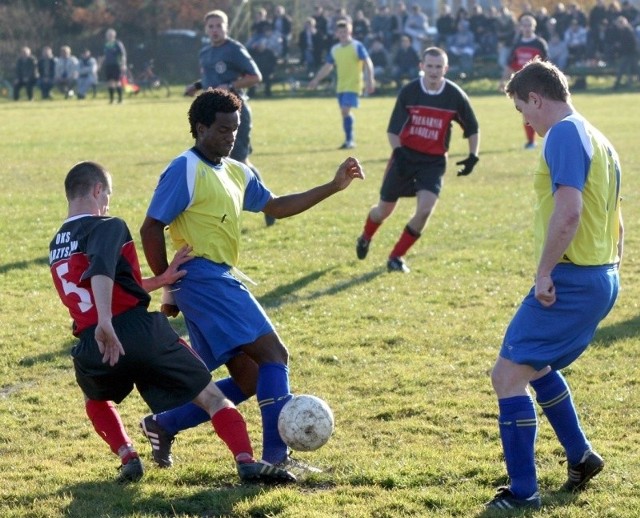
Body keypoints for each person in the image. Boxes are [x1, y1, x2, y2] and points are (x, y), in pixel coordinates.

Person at [138, 88, 364, 472]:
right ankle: (277, 458)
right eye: (224, 130)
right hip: (203, 277)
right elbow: (151, 227)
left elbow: (276, 206)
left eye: (236, 130)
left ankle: (163, 424)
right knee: (274, 355)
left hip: (217, 277)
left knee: (249, 378)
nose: (231, 137)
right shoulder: (185, 168)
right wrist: (168, 284)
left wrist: (332, 186)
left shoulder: (237, 170)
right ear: (200, 127)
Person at [49, 161, 296, 485]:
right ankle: (246, 460)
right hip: (138, 333)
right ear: (98, 190)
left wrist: (163, 279)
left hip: (92, 344)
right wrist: (107, 320)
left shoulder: (55, 245)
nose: (107, 203)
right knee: (212, 397)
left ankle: (128, 455)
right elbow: (102, 271)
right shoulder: (107, 226)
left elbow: (114, 283)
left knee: (94, 399)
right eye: (107, 195)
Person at [486, 58, 623, 511]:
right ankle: (581, 456)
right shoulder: (597, 136)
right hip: (601, 274)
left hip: (572, 277)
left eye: (523, 109)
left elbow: (569, 211)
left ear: (537, 98)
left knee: (507, 376)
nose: (525, 120)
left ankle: (523, 492)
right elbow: (616, 218)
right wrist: (607, 269)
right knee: (537, 366)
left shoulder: (563, 133)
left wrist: (546, 271)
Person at [355, 47, 479, 274]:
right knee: (383, 211)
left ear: (446, 69)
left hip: (433, 162)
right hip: (405, 156)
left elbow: (472, 127)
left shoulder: (454, 95)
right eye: (429, 66)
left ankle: (396, 257)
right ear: (421, 66)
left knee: (424, 210)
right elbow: (393, 130)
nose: (434, 70)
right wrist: (399, 153)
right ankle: (365, 236)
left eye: (438, 66)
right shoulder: (410, 92)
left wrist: (473, 156)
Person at [185, 9, 274, 226]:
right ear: (206, 29)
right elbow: (210, 78)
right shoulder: (205, 52)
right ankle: (214, 212)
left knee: (240, 161)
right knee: (211, 162)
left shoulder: (234, 49)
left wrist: (231, 86)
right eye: (211, 26)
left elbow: (255, 76)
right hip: (211, 117)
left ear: (226, 27)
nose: (215, 30)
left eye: (219, 26)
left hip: (236, 114)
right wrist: (196, 86)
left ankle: (270, 206)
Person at [308, 20, 375, 149]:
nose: (343, 34)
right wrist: (316, 79)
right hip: (341, 86)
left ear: (350, 31)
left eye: (345, 31)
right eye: (340, 32)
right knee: (344, 113)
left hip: (354, 84)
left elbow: (368, 62)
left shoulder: (357, 46)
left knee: (345, 110)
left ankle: (350, 140)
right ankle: (348, 139)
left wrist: (370, 79)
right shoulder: (335, 49)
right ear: (336, 34)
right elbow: (328, 67)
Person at [500, 15, 548, 149]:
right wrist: (502, 81)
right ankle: (531, 141)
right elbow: (510, 65)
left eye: (529, 25)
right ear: (520, 27)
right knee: (527, 113)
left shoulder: (540, 44)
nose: (527, 28)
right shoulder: (517, 45)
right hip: (521, 85)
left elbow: (548, 64)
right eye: (524, 25)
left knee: (542, 112)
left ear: (534, 27)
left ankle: (548, 137)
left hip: (538, 84)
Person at [99, 28, 127, 104]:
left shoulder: (117, 44)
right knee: (110, 82)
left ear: (114, 35)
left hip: (116, 65)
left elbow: (123, 55)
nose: (109, 36)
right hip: (108, 65)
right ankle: (111, 100)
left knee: (117, 81)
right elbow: (103, 56)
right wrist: (100, 64)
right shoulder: (106, 45)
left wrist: (123, 64)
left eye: (111, 35)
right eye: (108, 35)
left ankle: (120, 99)